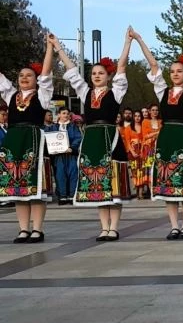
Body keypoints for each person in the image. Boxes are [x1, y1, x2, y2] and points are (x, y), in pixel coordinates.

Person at [53, 29, 133, 240]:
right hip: (91, 139)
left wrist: (127, 43)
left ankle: (114, 227)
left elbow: (122, 67)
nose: (96, 76)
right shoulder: (85, 92)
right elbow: (71, 70)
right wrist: (58, 47)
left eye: (100, 73)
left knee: (112, 183)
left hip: (109, 138)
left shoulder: (116, 91)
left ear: (108, 76)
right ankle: (103, 227)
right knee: (97, 185)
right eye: (94, 73)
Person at [141, 27, 183, 240]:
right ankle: (173, 226)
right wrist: (139, 40)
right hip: (167, 138)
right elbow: (153, 66)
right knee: (168, 185)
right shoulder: (162, 92)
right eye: (173, 71)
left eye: (179, 71)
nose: (175, 74)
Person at [0, 37, 55, 243]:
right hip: (14, 143)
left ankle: (37, 229)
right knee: (18, 188)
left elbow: (47, 74)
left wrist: (49, 48)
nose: (24, 78)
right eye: (21, 75)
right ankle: (23, 229)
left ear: (35, 78)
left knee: (36, 188)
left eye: (29, 75)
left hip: (34, 142)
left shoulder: (42, 96)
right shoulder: (10, 95)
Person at [45, 107, 82, 205]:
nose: (66, 115)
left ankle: (71, 196)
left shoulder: (73, 126)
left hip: (71, 155)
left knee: (72, 175)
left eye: (67, 113)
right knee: (60, 175)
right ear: (59, 115)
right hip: (59, 156)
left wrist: (72, 147)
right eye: (63, 113)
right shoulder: (53, 127)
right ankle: (62, 196)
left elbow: (78, 138)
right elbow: (48, 139)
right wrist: (52, 148)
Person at [141, 103, 161, 198]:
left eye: (156, 110)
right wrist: (157, 133)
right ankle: (151, 192)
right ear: (149, 111)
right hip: (149, 149)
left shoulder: (161, 121)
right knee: (149, 171)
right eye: (153, 110)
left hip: (159, 148)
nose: (155, 112)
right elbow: (145, 136)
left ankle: (159, 190)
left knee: (159, 169)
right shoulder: (145, 122)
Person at [127, 110, 146, 200]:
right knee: (134, 173)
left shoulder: (143, 127)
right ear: (133, 117)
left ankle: (141, 192)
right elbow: (127, 142)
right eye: (136, 116)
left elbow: (145, 139)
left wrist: (142, 151)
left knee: (141, 172)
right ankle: (135, 192)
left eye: (139, 116)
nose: (137, 117)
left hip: (142, 152)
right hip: (132, 153)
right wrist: (133, 152)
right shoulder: (128, 128)